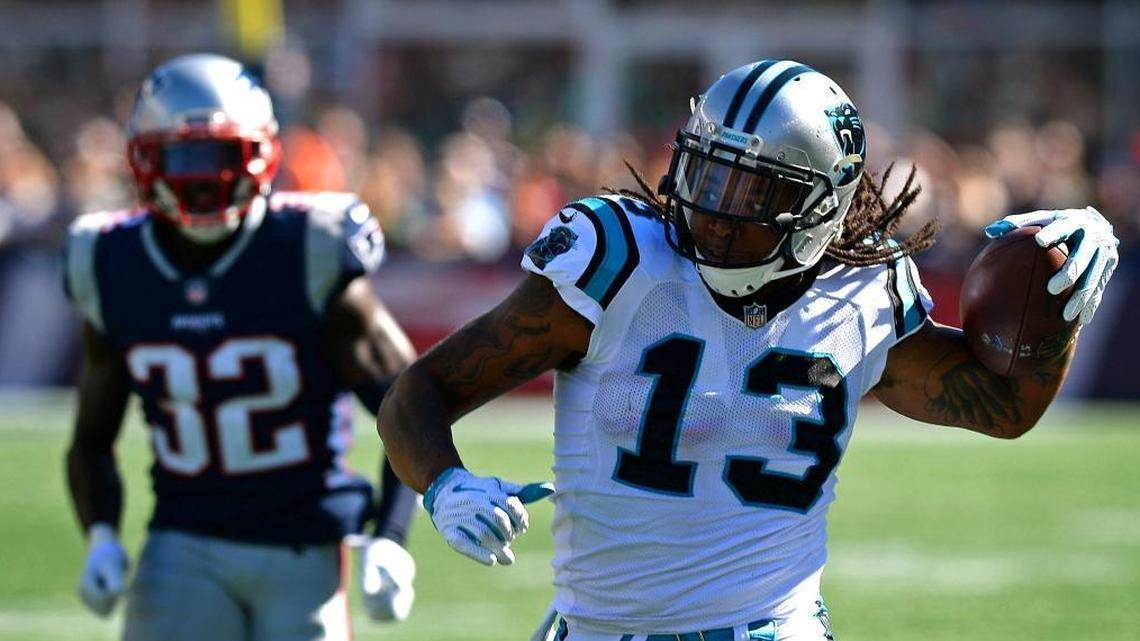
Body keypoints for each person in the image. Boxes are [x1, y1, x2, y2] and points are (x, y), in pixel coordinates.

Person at [377, 59, 1119, 641]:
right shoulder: (619, 258)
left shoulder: (862, 292)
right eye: (708, 173)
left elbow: (1004, 404)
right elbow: (419, 390)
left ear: (818, 210)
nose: (713, 213)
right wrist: (444, 484)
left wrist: (1060, 297)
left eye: (751, 193)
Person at [64, 53, 420, 641]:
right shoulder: (108, 261)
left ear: (261, 152)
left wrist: (392, 537)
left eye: (222, 156)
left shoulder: (310, 247)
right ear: (142, 159)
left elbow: (410, 402)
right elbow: (92, 436)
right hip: (184, 541)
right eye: (181, 158)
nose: (202, 181)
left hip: (305, 545)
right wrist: (101, 534)